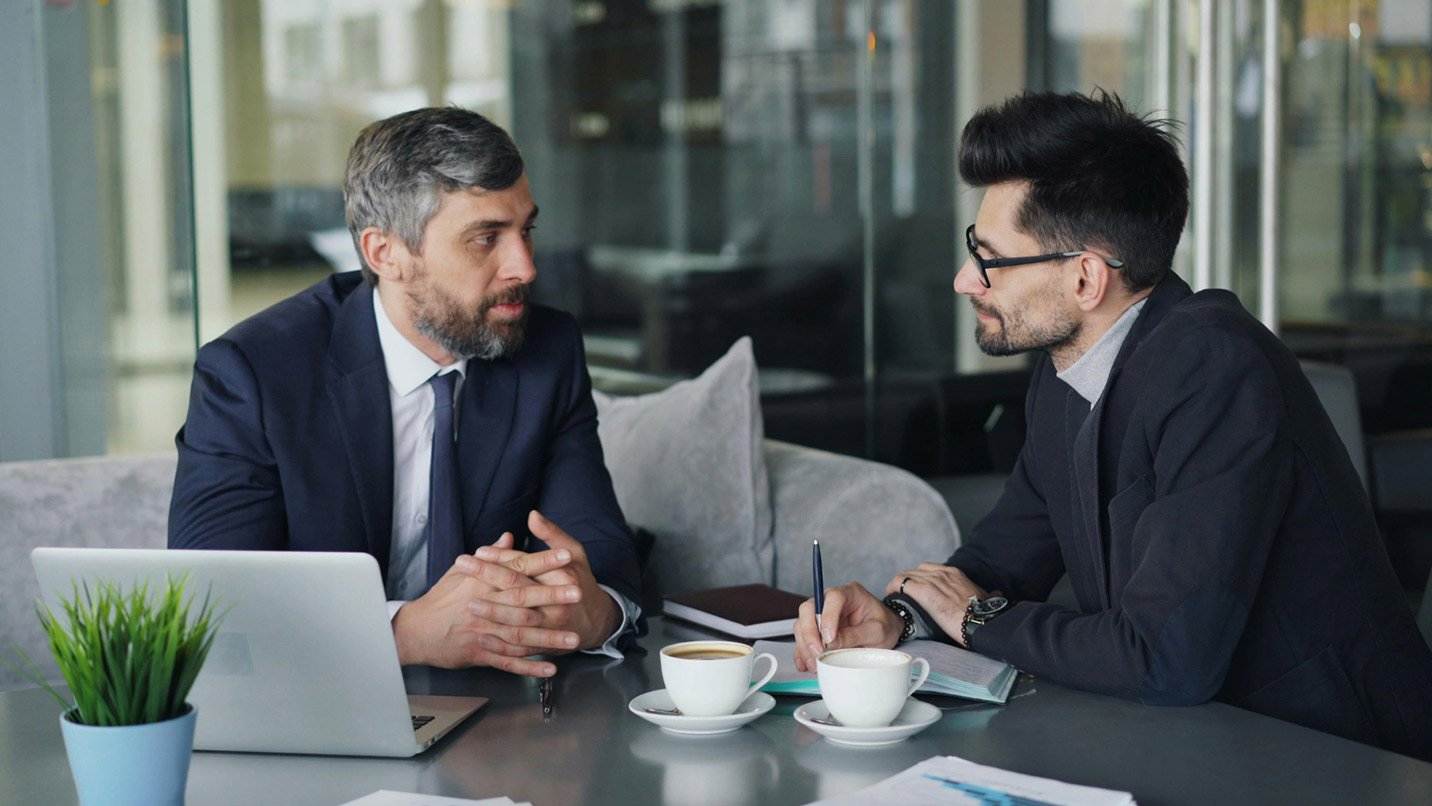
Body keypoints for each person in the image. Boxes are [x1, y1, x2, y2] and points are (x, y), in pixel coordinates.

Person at [794, 90, 1432, 760]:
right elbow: (1002, 558)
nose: (963, 281)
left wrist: (979, 617)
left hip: (1334, 757)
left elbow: (1164, 656)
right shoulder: (1070, 371)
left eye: (990, 259)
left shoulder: (1214, 367)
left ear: (1087, 279)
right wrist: (900, 618)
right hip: (1191, 743)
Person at [170, 107, 643, 678]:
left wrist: (594, 614)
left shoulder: (548, 350)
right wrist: (404, 632)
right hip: (317, 706)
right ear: (384, 254)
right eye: (485, 238)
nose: (523, 266)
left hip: (499, 718)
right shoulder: (253, 374)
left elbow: (601, 556)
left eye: (526, 231)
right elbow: (216, 605)